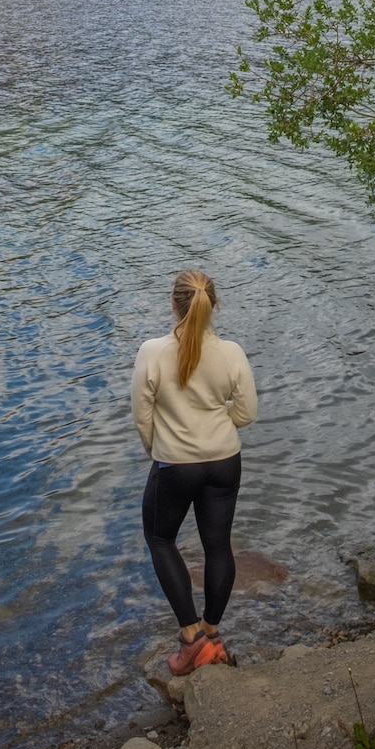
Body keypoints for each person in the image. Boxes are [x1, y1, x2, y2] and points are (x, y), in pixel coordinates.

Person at [131, 269, 258, 676]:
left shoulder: (152, 352)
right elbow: (246, 412)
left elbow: (142, 417)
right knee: (218, 545)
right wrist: (217, 427)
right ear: (213, 305)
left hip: (175, 465)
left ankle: (191, 639)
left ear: (174, 304)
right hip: (225, 461)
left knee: (159, 537)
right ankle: (212, 632)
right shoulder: (232, 352)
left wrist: (159, 449)